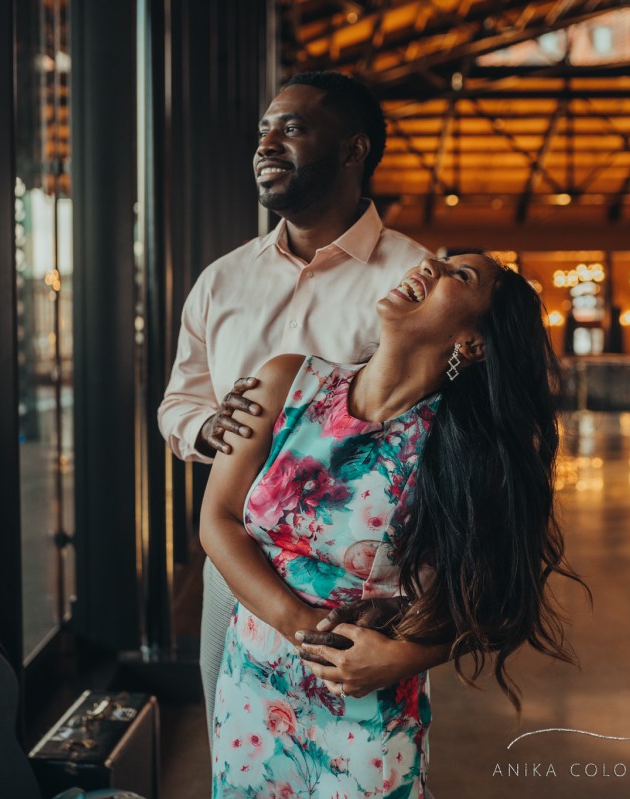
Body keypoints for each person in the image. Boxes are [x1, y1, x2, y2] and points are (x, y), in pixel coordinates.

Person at [200, 251, 588, 797]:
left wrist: (401, 658)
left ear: (473, 344)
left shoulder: (470, 454)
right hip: (251, 690)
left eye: (462, 275)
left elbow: (500, 603)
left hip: (368, 712)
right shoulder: (285, 381)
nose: (432, 263)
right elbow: (216, 520)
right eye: (443, 258)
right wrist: (295, 620)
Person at [156, 70, 444, 735]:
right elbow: (180, 401)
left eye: (291, 126)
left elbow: (435, 432)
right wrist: (209, 429)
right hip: (234, 558)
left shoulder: (414, 282)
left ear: (353, 150)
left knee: (354, 757)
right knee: (237, 747)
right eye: (263, 127)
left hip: (359, 578)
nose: (266, 142)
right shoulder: (221, 280)